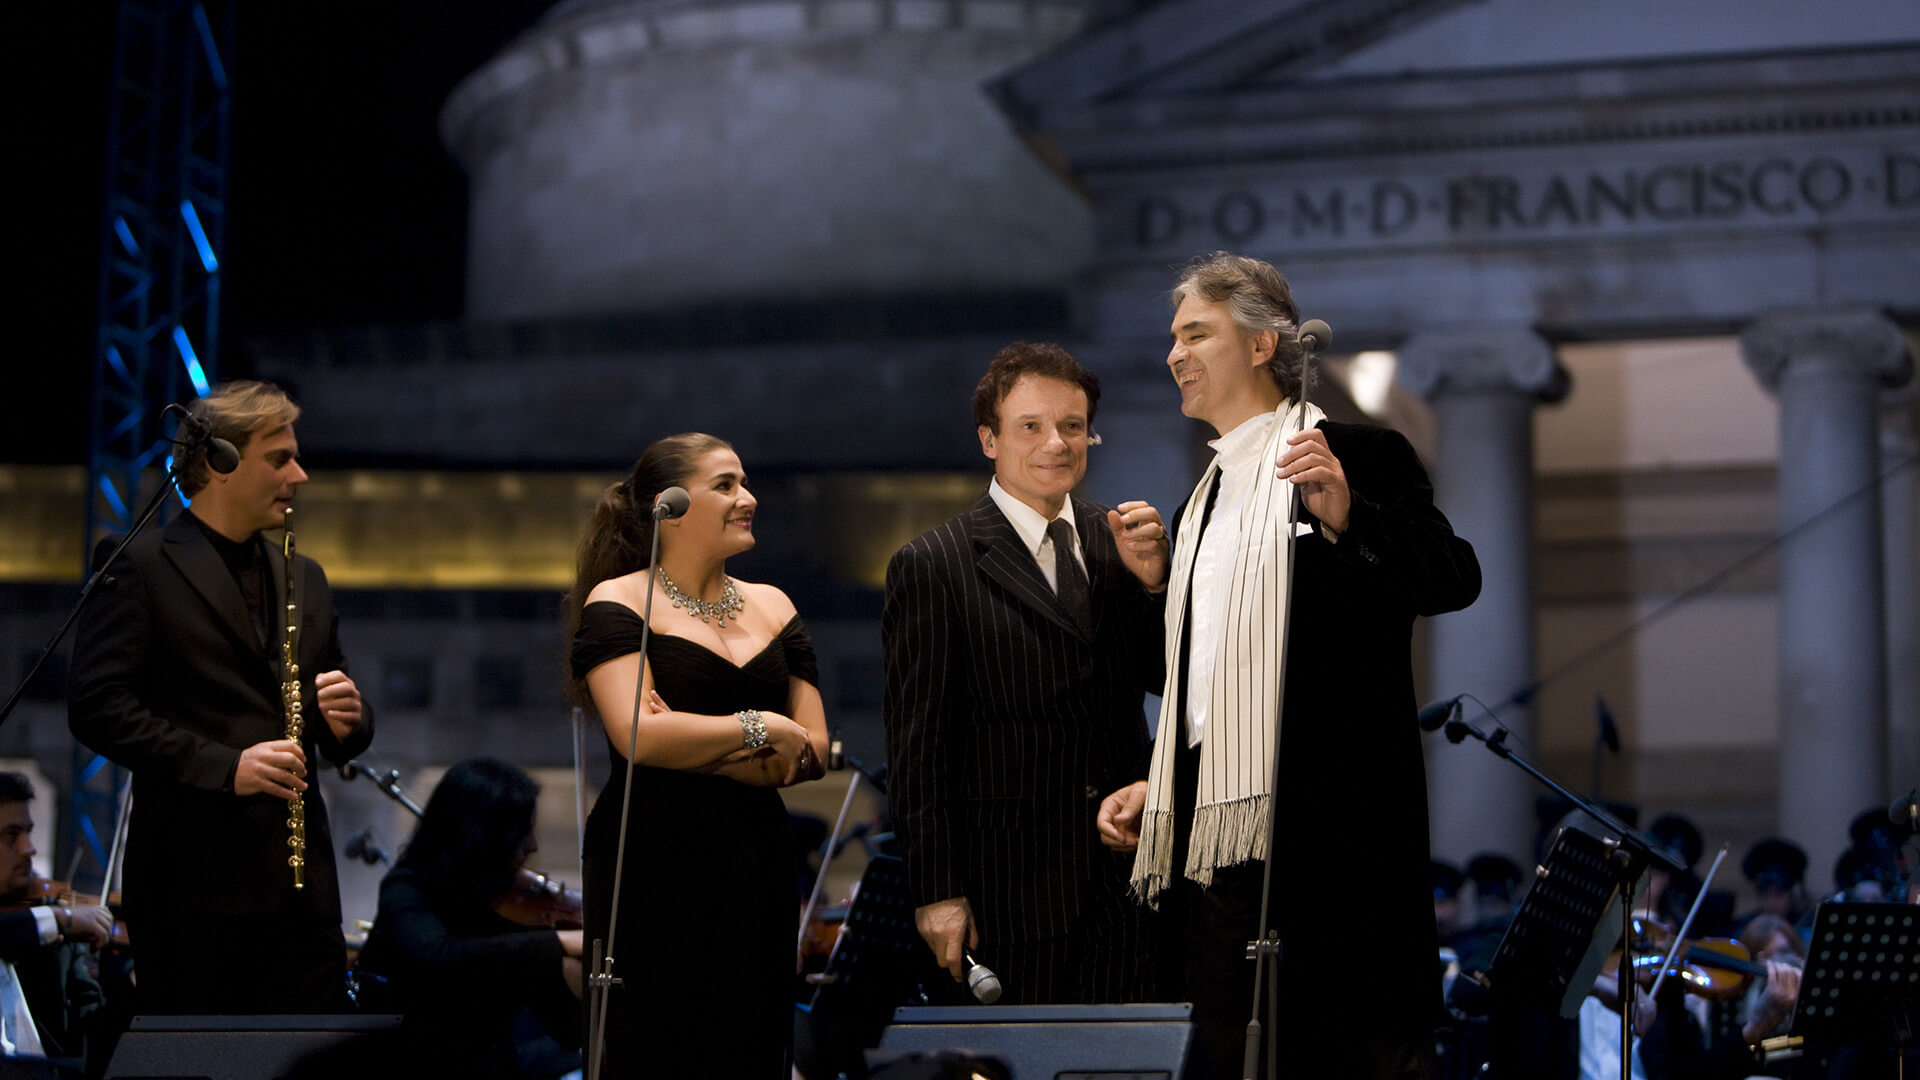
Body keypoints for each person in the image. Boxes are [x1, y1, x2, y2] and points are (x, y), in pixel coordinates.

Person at [1097, 251, 1482, 1079]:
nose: (1174, 354)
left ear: (1262, 344)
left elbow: (1453, 580)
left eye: (1196, 333)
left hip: (1332, 843)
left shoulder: (1358, 455)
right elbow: (1189, 683)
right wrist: (1156, 588)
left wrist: (1349, 516)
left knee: (1336, 1056)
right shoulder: (1200, 502)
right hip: (1217, 848)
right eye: (1173, 337)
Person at [69, 379, 372, 1013]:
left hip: (302, 895)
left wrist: (350, 720)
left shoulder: (305, 575)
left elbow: (331, 706)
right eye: (279, 459)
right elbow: (98, 706)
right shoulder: (139, 564)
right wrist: (226, 767)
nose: (299, 476)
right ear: (218, 462)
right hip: (192, 891)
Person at [883, 342, 1168, 1004]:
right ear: (990, 439)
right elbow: (917, 746)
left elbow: (1166, 680)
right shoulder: (933, 563)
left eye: (1072, 425)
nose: (1056, 444)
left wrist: (1156, 587)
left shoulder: (1121, 539)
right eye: (1031, 426)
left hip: (1128, 878)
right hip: (1005, 890)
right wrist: (936, 891)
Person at [566, 432, 829, 1079]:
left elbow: (812, 750)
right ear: (671, 505)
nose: (748, 498)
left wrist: (688, 740)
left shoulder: (775, 605)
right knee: (657, 1048)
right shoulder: (618, 601)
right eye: (726, 485)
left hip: (756, 859)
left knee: (750, 1046)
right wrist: (760, 726)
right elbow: (638, 738)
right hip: (651, 859)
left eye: (744, 482)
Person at [352, 758, 582, 1080]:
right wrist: (556, 942)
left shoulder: (505, 903)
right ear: (482, 835)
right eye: (521, 833)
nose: (532, 846)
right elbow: (439, 957)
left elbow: (567, 1030)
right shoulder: (405, 889)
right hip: (408, 1063)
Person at [0, 774, 110, 1073]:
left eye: (28, 833)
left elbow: (91, 1019)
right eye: (11, 835)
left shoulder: (55, 937)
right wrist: (61, 919)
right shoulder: (54, 921)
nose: (29, 848)